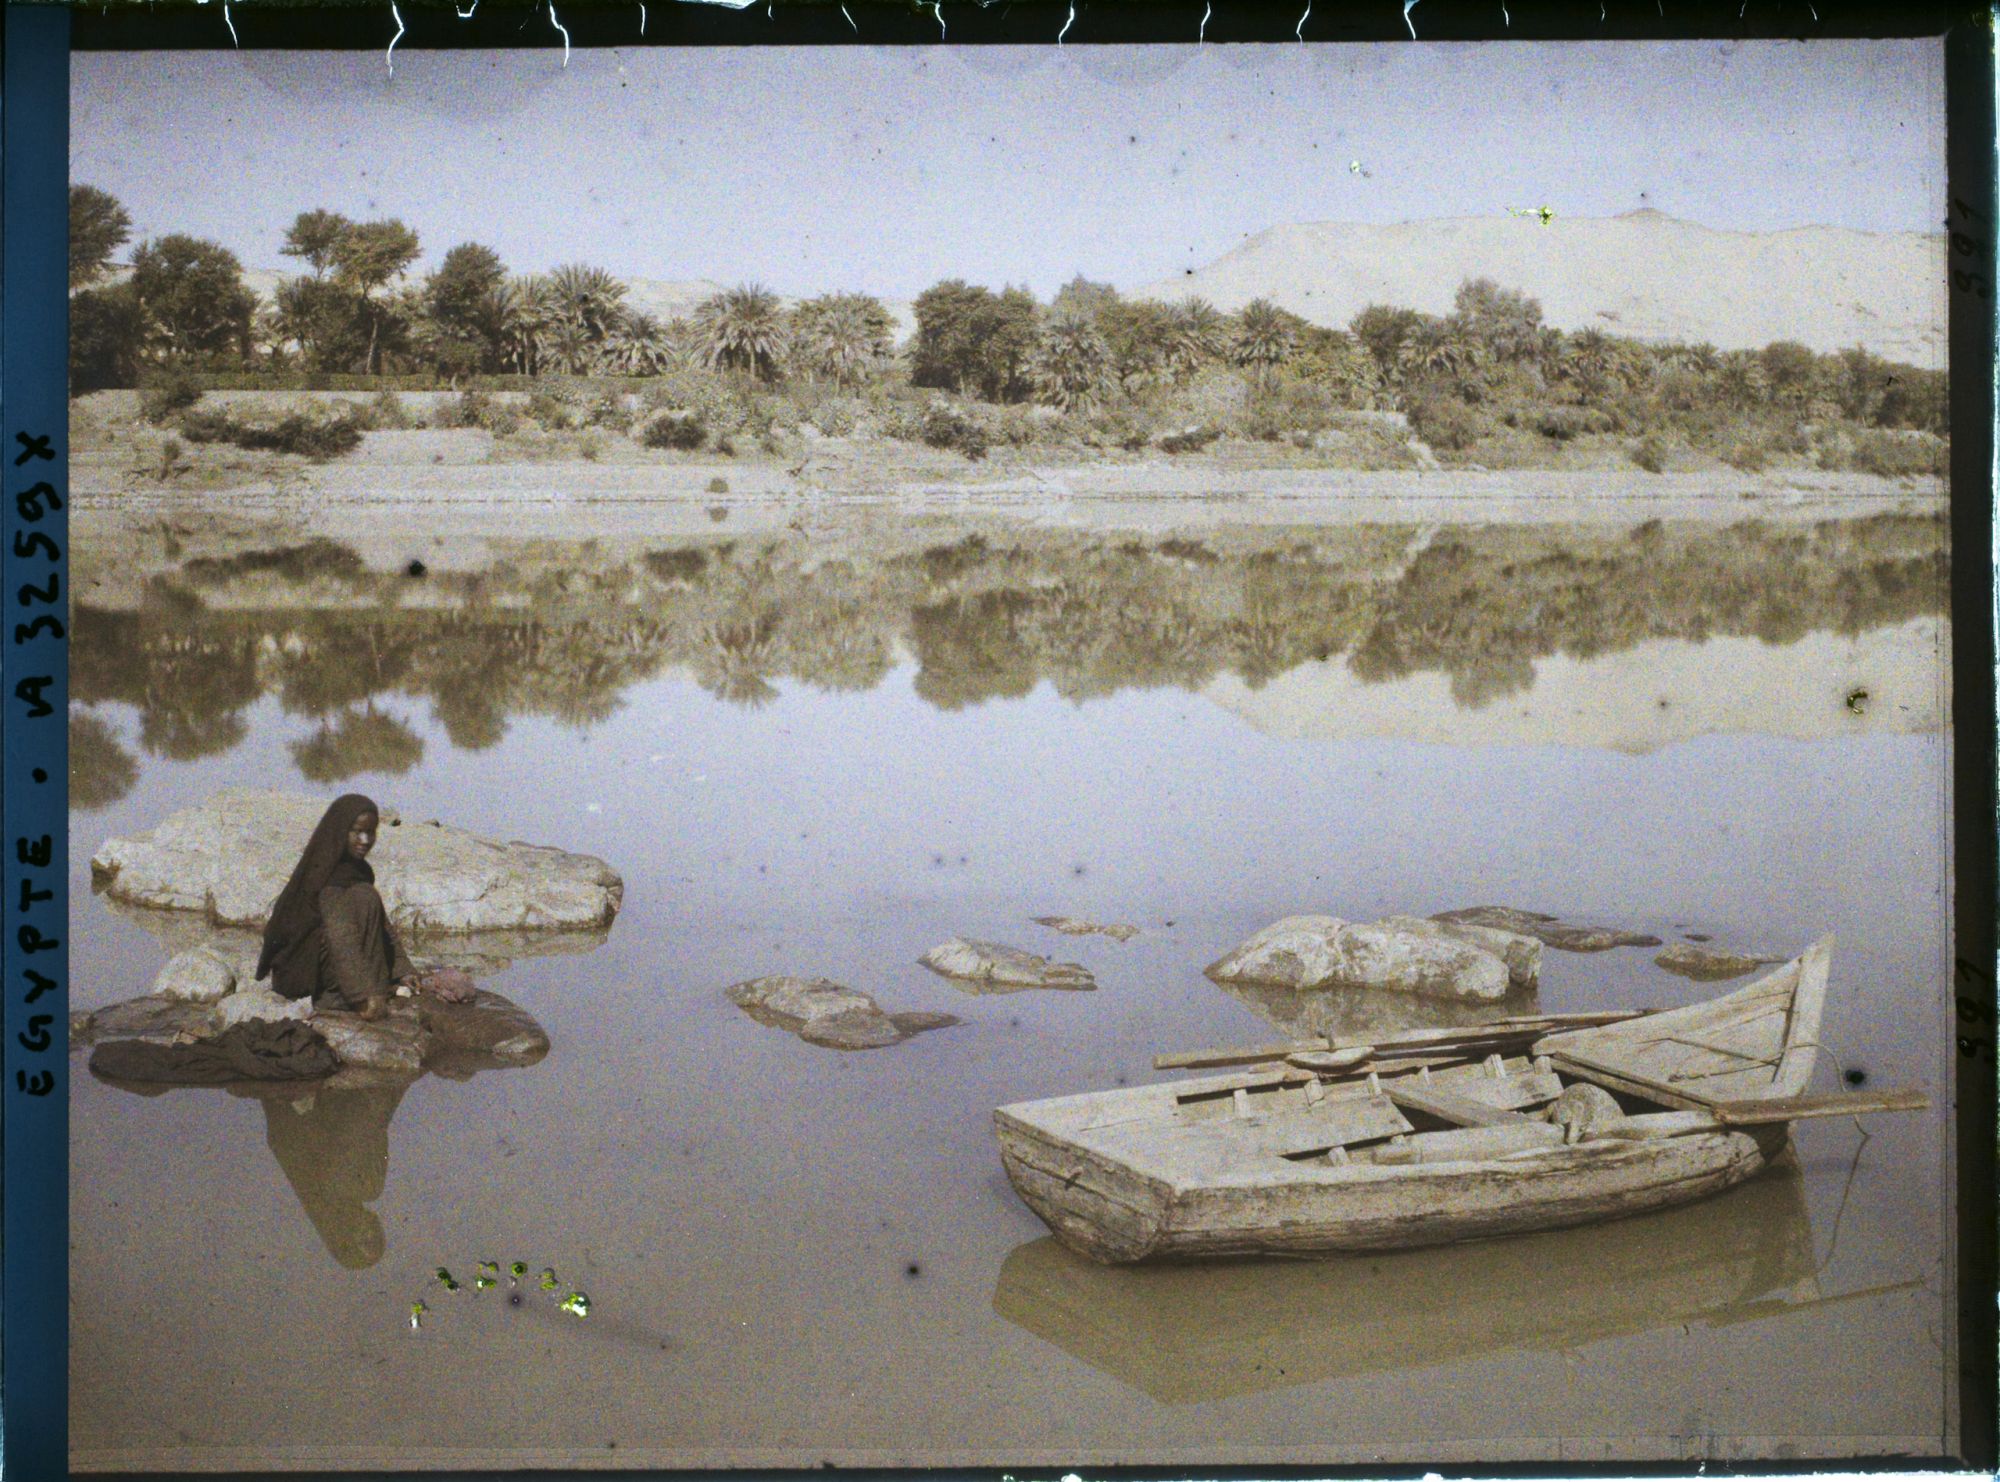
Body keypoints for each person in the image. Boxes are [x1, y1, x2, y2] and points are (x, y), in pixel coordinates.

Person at [255, 794, 423, 1021]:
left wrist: (403, 970)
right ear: (340, 832)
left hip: (333, 957)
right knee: (362, 898)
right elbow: (341, 936)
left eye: (370, 832)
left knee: (366, 897)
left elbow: (382, 926)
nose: (365, 840)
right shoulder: (326, 875)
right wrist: (363, 996)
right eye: (357, 831)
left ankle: (354, 988)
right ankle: (333, 997)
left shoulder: (358, 870)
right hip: (301, 970)